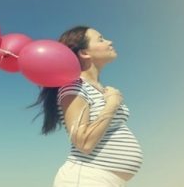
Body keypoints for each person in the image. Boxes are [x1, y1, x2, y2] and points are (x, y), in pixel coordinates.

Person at [29, 26, 143, 187]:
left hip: (105, 180)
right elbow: (83, 143)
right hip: (87, 178)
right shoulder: (74, 87)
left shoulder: (96, 88)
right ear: (84, 53)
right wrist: (112, 104)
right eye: (101, 39)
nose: (110, 42)